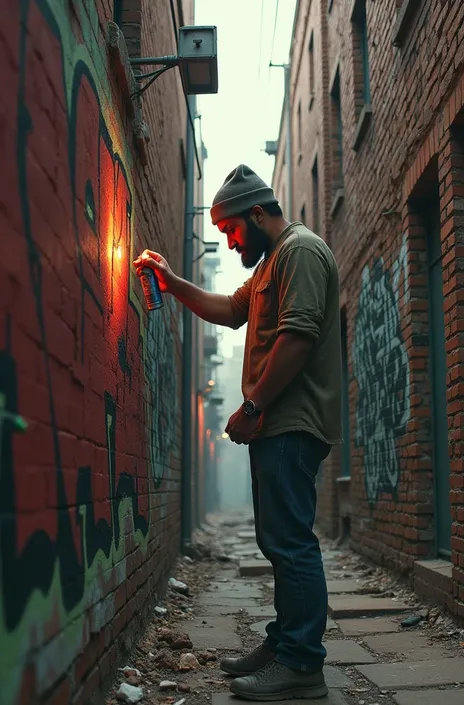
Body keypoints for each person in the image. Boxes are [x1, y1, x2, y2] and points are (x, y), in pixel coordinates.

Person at [133, 165, 342, 701]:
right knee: (278, 541)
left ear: (256, 214)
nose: (227, 242)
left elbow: (297, 337)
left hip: (290, 423)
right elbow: (230, 311)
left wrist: (252, 406)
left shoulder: (301, 252)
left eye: (230, 231)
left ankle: (301, 666)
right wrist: (171, 279)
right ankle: (283, 643)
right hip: (278, 425)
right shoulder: (274, 260)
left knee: (291, 543)